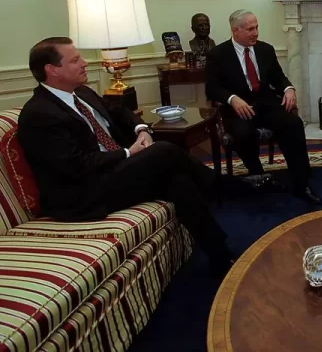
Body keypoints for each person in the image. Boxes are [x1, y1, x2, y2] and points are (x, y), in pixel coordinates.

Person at [17, 37, 235, 277]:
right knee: (164, 151)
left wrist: (141, 130)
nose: (84, 64)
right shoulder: (39, 113)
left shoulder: (82, 93)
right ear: (52, 70)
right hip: (83, 193)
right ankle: (221, 186)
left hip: (112, 173)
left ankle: (219, 253)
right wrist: (128, 152)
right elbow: (75, 166)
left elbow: (121, 113)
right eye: (75, 60)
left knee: (176, 180)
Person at [206, 10, 322, 205]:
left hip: (265, 103)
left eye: (256, 27)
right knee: (243, 132)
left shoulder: (265, 50)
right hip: (237, 108)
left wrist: (288, 89)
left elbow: (278, 77)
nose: (256, 33)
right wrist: (232, 98)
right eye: (250, 29)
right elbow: (212, 88)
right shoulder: (217, 54)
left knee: (293, 123)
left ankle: (302, 183)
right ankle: (259, 175)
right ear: (235, 30)